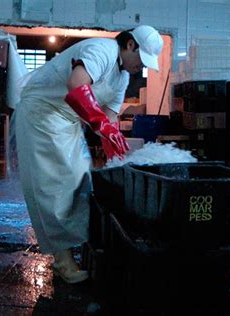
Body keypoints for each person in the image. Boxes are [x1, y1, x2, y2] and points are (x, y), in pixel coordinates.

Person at [14, 25, 163, 283]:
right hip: (43, 112)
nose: (142, 66)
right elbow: (76, 84)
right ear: (130, 45)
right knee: (55, 182)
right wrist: (101, 124)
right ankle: (62, 260)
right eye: (142, 59)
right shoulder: (101, 49)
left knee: (81, 179)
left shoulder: (123, 77)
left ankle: (74, 245)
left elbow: (111, 119)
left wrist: (119, 156)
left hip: (69, 121)